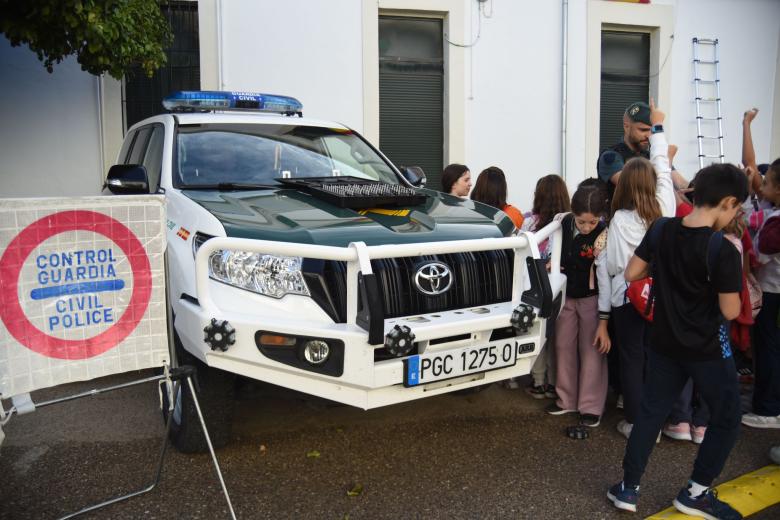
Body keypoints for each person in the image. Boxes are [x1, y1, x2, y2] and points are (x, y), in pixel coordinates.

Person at [607, 163, 747, 519]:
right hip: (707, 349)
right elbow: (730, 311)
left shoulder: (662, 229)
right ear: (727, 201)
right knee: (728, 415)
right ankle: (696, 493)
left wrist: (667, 274)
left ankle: (628, 488)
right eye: (736, 208)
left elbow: (632, 272)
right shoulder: (722, 250)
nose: (734, 215)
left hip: (664, 340)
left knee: (651, 414)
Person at [606, 100, 676, 440]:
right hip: (662, 297)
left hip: (628, 297)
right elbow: (662, 167)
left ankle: (637, 423)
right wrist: (659, 130)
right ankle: (658, 419)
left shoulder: (620, 219)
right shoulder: (665, 206)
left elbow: (616, 265)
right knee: (656, 359)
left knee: (632, 359)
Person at [545, 179, 611, 428]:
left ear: (600, 217)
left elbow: (604, 279)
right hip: (565, 296)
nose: (586, 227)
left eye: (592, 222)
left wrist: (604, 319)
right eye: (581, 221)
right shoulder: (562, 222)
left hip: (592, 300)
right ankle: (566, 399)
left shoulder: (603, 235)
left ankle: (591, 406)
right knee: (562, 345)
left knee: (591, 350)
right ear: (573, 213)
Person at [520, 174, 571, 397]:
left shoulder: (530, 221)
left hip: (532, 285)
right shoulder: (569, 223)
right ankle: (553, 383)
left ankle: (538, 381)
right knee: (555, 337)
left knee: (538, 331)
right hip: (559, 287)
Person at [741, 158, 780, 429]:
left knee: (767, 349)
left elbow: (758, 257)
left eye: (766, 183)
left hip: (771, 291)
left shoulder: (775, 224)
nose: (762, 186)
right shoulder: (772, 212)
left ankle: (768, 409)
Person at [598, 101, 689, 206]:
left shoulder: (652, 156)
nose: (649, 135)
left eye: (652, 130)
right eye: (643, 130)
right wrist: (666, 161)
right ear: (626, 127)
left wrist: (700, 190)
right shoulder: (611, 157)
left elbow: (681, 183)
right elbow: (636, 187)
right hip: (622, 220)